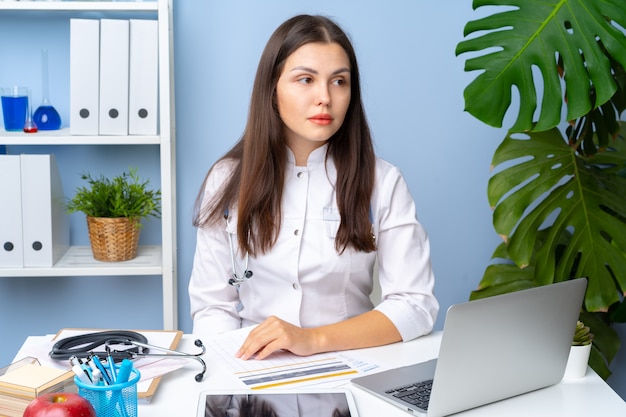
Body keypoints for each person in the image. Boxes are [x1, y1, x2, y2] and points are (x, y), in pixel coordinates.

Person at [189, 14, 438, 360]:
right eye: (305, 79)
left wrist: (312, 340)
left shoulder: (382, 182)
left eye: (339, 81)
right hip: (252, 369)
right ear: (272, 88)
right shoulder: (228, 180)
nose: (325, 97)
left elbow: (415, 305)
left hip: (351, 364)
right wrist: (230, 373)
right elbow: (213, 307)